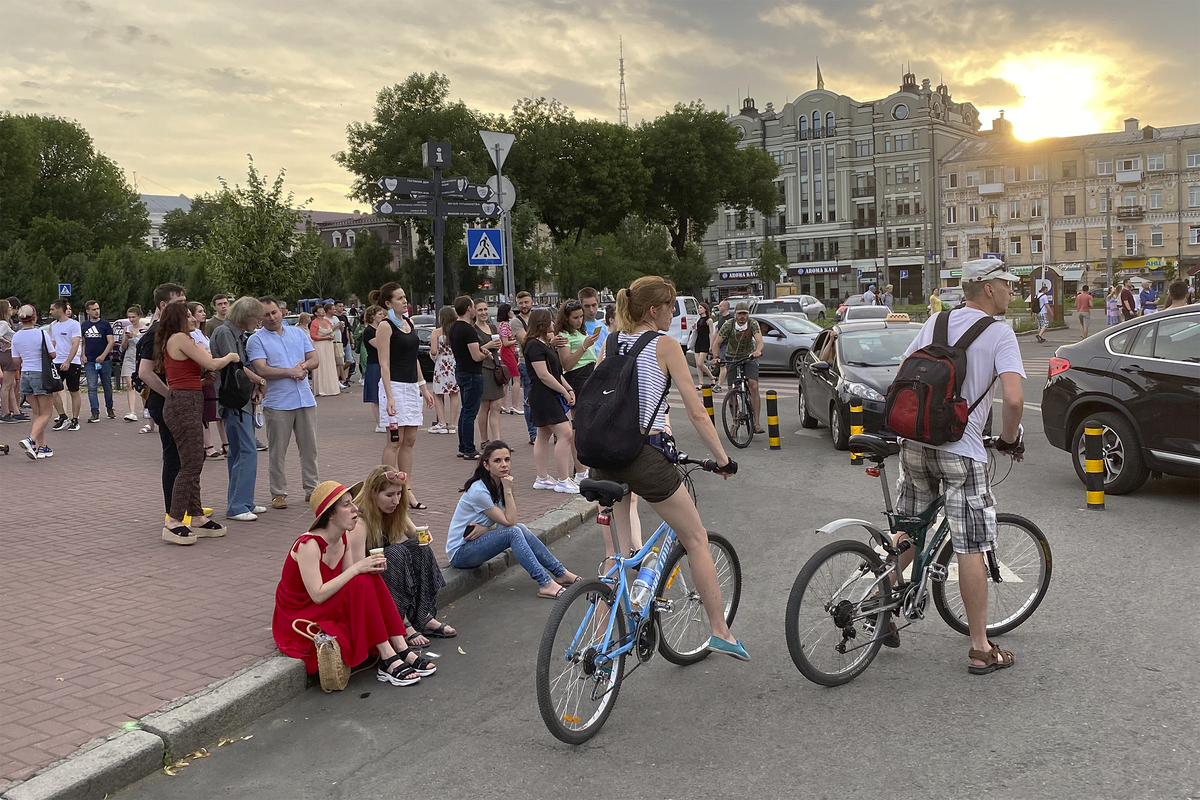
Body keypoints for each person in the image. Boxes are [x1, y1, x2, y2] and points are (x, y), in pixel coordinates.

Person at [589, 276, 747, 660]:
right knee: (695, 539)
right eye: (671, 307)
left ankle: (597, 642)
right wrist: (723, 459)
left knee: (618, 554)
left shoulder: (610, 341)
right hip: (644, 458)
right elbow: (695, 410)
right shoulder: (665, 345)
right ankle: (719, 630)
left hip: (602, 460)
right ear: (653, 311)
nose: (675, 313)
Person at [890, 257, 1026, 674]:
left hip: (915, 442)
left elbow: (903, 372)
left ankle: (882, 601)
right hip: (961, 450)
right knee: (969, 545)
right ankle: (981, 648)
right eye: (1007, 283)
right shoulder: (1000, 333)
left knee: (910, 526)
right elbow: (1016, 400)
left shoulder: (936, 323)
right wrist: (1007, 438)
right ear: (988, 288)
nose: (1011, 291)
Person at [272, 480, 436, 688]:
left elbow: (351, 581)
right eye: (347, 505)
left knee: (367, 577)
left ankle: (400, 647)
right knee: (361, 575)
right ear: (330, 514)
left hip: (326, 603)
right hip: (301, 614)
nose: (355, 508)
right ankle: (388, 656)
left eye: (352, 503)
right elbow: (318, 595)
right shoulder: (309, 545)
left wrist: (363, 569)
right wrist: (359, 568)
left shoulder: (342, 538)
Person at [446, 441, 580, 598]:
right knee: (514, 532)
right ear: (486, 465)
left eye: (507, 460)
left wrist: (489, 528)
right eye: (497, 461)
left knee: (520, 529)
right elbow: (510, 522)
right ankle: (545, 583)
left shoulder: (499, 483)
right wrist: (508, 490)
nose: (504, 465)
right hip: (461, 553)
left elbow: (509, 521)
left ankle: (561, 573)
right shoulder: (479, 491)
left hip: (476, 543)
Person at [155, 301, 240, 545]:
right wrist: (231, 356)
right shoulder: (180, 338)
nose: (194, 319)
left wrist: (202, 382)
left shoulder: (176, 339)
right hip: (183, 404)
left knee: (194, 460)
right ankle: (173, 521)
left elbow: (182, 376)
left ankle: (197, 517)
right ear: (179, 319)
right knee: (190, 464)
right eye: (189, 315)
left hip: (187, 399)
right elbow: (212, 363)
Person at [347, 466, 456, 645]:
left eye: (399, 494)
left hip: (387, 568)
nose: (396, 500)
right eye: (389, 495)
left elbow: (414, 534)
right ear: (373, 493)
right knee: (396, 553)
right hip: (368, 578)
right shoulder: (360, 521)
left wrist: (424, 536)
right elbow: (357, 566)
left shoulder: (395, 510)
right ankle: (402, 623)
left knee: (419, 547)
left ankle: (423, 616)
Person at [249, 296, 320, 511]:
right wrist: (290, 371)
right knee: (278, 451)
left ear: (281, 311)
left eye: (274, 313)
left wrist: (305, 366)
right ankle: (278, 492)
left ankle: (312, 489)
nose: (271, 318)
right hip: (278, 402)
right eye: (266, 315)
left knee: (310, 449)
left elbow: (314, 359)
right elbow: (260, 369)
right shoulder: (256, 340)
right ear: (260, 318)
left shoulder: (298, 333)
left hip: (304, 399)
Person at [372, 282, 434, 510]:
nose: (404, 301)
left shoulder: (408, 323)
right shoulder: (385, 326)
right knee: (394, 441)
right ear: (388, 303)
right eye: (399, 298)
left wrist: (424, 388)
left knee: (410, 441)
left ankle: (406, 489)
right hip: (394, 386)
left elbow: (414, 358)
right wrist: (389, 397)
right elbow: (384, 364)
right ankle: (388, 489)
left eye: (404, 297)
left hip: (411, 387)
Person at [210, 296, 268, 522]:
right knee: (246, 451)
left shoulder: (234, 334)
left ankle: (244, 500)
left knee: (239, 452)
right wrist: (261, 381)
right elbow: (236, 368)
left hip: (238, 399)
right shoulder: (225, 334)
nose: (258, 321)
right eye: (256, 317)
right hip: (233, 400)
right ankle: (237, 505)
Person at [138, 283, 189, 515]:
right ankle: (173, 510)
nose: (184, 307)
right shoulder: (155, 334)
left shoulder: (171, 333)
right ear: (163, 305)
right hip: (164, 401)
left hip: (174, 399)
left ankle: (186, 505)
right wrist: (170, 394)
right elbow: (145, 372)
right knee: (173, 456)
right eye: (179, 303)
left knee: (183, 456)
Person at [524, 308, 581, 493]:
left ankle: (542, 477)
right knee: (565, 433)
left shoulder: (545, 344)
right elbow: (543, 375)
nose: (553, 324)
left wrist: (569, 388)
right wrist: (564, 391)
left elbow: (556, 373)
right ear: (542, 323)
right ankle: (563, 479)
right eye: (550, 320)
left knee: (543, 434)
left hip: (548, 394)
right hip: (543, 395)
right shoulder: (533, 345)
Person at [449, 295, 501, 460]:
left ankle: (462, 446)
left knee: (465, 411)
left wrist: (480, 351)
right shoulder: (468, 329)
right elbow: (475, 356)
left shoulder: (454, 327)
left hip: (460, 371)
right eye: (473, 306)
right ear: (468, 309)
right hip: (472, 373)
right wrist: (485, 356)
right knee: (470, 412)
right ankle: (470, 449)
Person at [711, 301, 765, 434]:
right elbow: (717, 343)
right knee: (731, 389)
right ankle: (735, 419)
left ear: (748, 314)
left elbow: (759, 341)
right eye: (740, 314)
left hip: (749, 356)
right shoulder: (728, 325)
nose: (742, 317)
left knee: (754, 386)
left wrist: (757, 351)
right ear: (735, 314)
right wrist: (716, 356)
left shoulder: (752, 324)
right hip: (732, 357)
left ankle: (756, 422)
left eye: (745, 314)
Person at [11, 304, 55, 459]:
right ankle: (31, 439)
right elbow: (52, 354)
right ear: (34, 317)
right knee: (46, 413)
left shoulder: (16, 336)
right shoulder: (41, 334)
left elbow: (16, 360)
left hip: (26, 373)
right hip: (41, 374)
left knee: (37, 413)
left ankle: (41, 447)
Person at [188, 302, 228, 460]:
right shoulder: (191, 334)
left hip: (210, 372)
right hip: (202, 373)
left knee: (216, 409)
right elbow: (203, 352)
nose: (203, 314)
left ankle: (225, 444)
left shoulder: (201, 332)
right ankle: (208, 446)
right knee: (205, 411)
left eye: (203, 311)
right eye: (199, 312)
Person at [555, 300, 601, 403]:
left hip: (591, 370)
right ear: (566, 318)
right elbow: (566, 364)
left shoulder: (580, 331)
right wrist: (584, 346)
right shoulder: (564, 335)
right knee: (582, 411)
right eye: (575, 318)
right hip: (578, 373)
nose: (579, 321)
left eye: (581, 316)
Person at [474, 299, 506, 446]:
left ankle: (497, 441)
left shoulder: (493, 327)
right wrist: (489, 345)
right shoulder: (473, 330)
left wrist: (498, 345)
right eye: (480, 310)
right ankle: (484, 440)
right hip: (483, 369)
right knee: (485, 406)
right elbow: (473, 350)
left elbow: (499, 345)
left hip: (496, 368)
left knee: (497, 406)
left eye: (485, 309)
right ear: (474, 311)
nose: (484, 313)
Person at [48, 299, 83, 432]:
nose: (50, 312)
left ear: (60, 310)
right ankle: (63, 416)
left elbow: (75, 343)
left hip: (72, 362)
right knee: (53, 390)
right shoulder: (53, 326)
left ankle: (75, 419)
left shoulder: (73, 324)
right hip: (56, 362)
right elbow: (52, 343)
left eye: (52, 309)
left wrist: (68, 361)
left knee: (74, 391)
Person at [79, 300, 116, 423]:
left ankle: (109, 407)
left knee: (107, 386)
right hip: (89, 361)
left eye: (98, 309)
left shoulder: (105, 325)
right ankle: (94, 411)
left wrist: (103, 355)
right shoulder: (84, 325)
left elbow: (111, 341)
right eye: (94, 309)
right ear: (88, 311)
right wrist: (82, 355)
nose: (96, 311)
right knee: (92, 387)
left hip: (104, 360)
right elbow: (83, 341)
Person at [509, 292, 538, 445]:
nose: (524, 305)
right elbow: (524, 339)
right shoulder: (515, 322)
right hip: (525, 363)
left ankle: (550, 431)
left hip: (542, 361)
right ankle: (533, 434)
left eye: (526, 302)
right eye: (521, 303)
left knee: (546, 398)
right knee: (529, 399)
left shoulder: (537, 317)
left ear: (532, 302)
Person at [428, 305, 459, 435]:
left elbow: (434, 351)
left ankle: (441, 422)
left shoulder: (436, 333)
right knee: (454, 393)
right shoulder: (455, 332)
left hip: (442, 363)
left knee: (438, 393)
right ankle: (452, 424)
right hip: (454, 362)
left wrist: (433, 355)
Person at [0, 299, 26, 424]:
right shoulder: (4, 324)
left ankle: (15, 411)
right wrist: (6, 342)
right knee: (7, 385)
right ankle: (5, 413)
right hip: (9, 353)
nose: (11, 309)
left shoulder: (5, 323)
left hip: (6, 354)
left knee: (10, 385)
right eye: (9, 307)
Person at [119, 306, 148, 422]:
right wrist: (126, 338)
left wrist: (135, 336)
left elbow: (146, 344)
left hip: (142, 358)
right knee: (130, 385)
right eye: (129, 317)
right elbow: (123, 346)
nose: (131, 319)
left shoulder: (145, 329)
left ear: (139, 316)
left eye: (133, 317)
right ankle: (132, 411)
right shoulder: (127, 328)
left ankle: (146, 408)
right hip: (130, 358)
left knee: (144, 384)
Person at [307, 305, 340, 397]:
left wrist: (332, 335)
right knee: (321, 365)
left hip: (328, 345)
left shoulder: (327, 321)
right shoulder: (314, 322)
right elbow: (313, 336)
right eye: (320, 310)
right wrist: (325, 338)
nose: (322, 311)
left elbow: (331, 330)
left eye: (322, 310)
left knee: (330, 364)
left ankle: (331, 388)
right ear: (316, 313)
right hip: (320, 345)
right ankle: (321, 389)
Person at [359, 306, 383, 431]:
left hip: (383, 363)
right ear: (373, 316)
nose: (382, 316)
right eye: (380, 314)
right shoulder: (369, 331)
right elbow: (380, 345)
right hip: (374, 364)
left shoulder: (381, 329)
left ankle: (384, 420)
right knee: (376, 395)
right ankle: (379, 423)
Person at [496, 303, 521, 415]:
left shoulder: (501, 324)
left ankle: (503, 404)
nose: (512, 312)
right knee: (516, 377)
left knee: (506, 379)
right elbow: (505, 342)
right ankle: (514, 405)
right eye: (510, 311)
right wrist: (516, 340)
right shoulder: (505, 325)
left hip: (507, 352)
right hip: (508, 352)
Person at [689, 300, 716, 386]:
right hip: (698, 342)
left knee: (701, 363)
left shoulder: (709, 320)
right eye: (698, 308)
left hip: (705, 342)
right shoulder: (698, 320)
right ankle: (701, 383)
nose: (699, 309)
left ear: (705, 309)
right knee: (698, 364)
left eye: (700, 308)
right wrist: (694, 327)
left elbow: (711, 333)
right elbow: (696, 331)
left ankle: (712, 377)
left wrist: (711, 345)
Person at [578, 287, 609, 358]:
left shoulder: (603, 327)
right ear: (581, 306)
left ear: (598, 303)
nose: (591, 310)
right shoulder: (576, 327)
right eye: (587, 306)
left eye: (593, 305)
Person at [713, 299, 732, 391]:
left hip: (728, 344)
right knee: (723, 365)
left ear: (725, 307)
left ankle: (719, 385)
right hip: (721, 344)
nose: (718, 307)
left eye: (720, 306)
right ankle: (720, 385)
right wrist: (713, 345)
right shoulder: (721, 319)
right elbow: (716, 332)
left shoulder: (730, 319)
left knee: (724, 365)